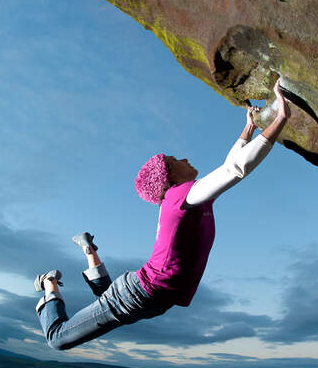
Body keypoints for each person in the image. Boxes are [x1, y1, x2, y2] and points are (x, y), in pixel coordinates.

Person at [34, 76, 292, 350]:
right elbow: (234, 169)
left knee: (106, 297)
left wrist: (249, 127)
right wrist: (281, 118)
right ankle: (49, 282)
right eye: (174, 160)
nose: (184, 159)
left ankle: (89, 249)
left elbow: (229, 165)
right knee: (58, 339)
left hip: (150, 297)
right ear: (168, 178)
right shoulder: (176, 198)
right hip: (142, 294)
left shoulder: (192, 199)